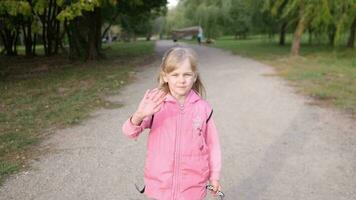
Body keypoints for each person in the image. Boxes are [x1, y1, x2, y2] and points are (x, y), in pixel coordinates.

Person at [122, 47, 222, 200]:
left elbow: (213, 145)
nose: (181, 80)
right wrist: (139, 115)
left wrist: (214, 176)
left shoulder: (203, 109)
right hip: (160, 185)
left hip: (192, 187)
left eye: (187, 74)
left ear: (194, 77)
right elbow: (129, 132)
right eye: (175, 74)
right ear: (165, 76)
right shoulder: (156, 102)